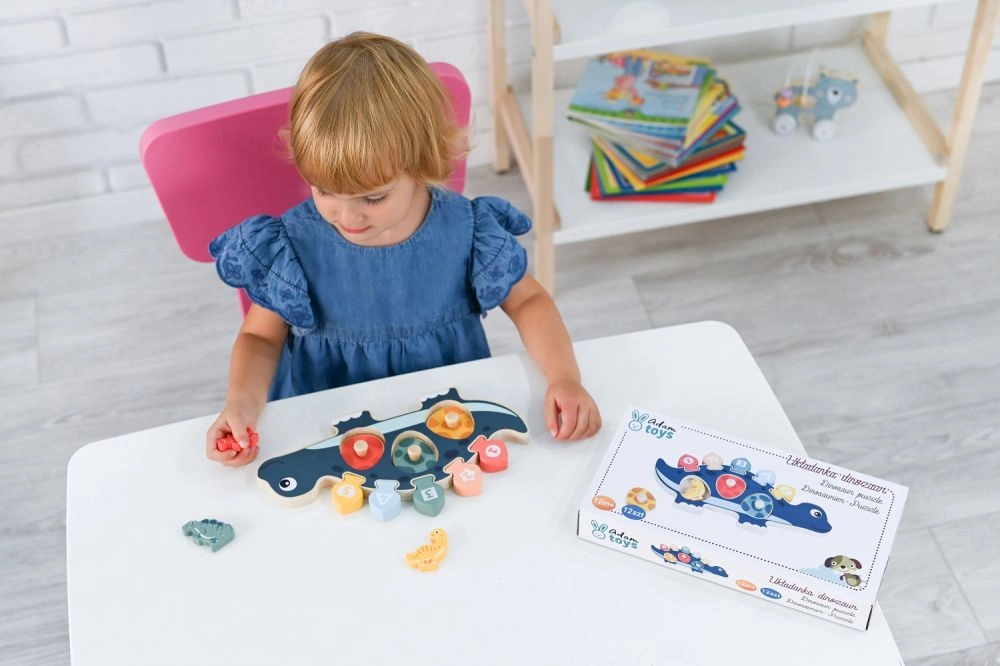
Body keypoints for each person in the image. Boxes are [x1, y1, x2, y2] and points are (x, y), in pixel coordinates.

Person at [205, 32, 601, 466]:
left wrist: (564, 378)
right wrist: (241, 405)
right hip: (330, 428)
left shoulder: (467, 230)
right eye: (325, 191)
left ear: (422, 164)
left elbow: (528, 301)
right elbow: (260, 337)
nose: (346, 216)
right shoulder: (293, 245)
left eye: (373, 197)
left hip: (445, 424)